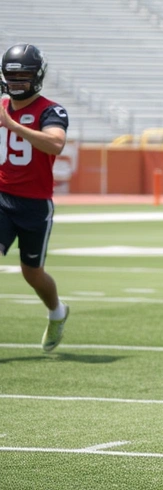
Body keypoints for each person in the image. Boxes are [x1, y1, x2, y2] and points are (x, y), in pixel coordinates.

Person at [0, 43, 71, 352]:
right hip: (1, 198)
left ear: (37, 76)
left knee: (33, 273)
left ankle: (57, 311)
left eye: (24, 76)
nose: (17, 83)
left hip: (34, 204)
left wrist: (12, 124)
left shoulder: (51, 110)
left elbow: (55, 144)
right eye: (11, 77)